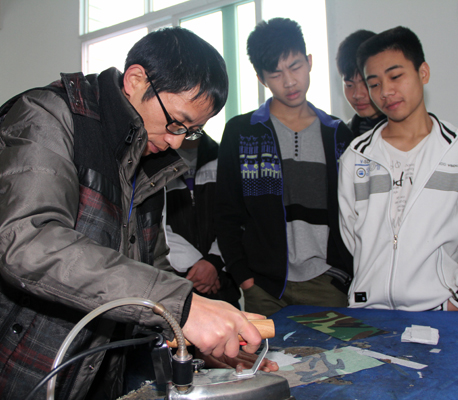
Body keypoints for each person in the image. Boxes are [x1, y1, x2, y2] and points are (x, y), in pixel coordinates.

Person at [0, 27, 270, 400]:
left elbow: (151, 271)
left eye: (192, 132)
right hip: (4, 372)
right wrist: (182, 308)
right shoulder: (46, 116)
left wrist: (192, 338)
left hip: (93, 374)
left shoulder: (151, 163)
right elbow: (30, 242)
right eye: (176, 123)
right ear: (135, 80)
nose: (177, 141)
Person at [338, 26, 458, 311]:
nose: (386, 91)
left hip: (439, 313)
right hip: (369, 316)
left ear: (423, 73)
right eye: (374, 84)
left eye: (395, 76)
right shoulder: (356, 156)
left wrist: (455, 306)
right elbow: (354, 239)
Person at [215, 18, 356, 317]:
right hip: (265, 288)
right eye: (276, 74)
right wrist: (244, 277)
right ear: (261, 78)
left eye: (295, 66)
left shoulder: (338, 134)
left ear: (309, 62)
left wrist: (342, 274)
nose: (289, 81)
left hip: (327, 283)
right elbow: (226, 212)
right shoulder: (242, 132)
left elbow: (355, 213)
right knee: (268, 350)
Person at [165, 135, 241, 308]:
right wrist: (197, 266)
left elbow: (237, 218)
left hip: (223, 283)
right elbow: (154, 225)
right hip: (173, 286)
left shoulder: (224, 157)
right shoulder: (156, 161)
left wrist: (215, 261)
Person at [336, 29, 387, 137]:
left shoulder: (408, 132)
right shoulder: (342, 137)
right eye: (349, 85)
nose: (357, 95)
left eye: (366, 84)